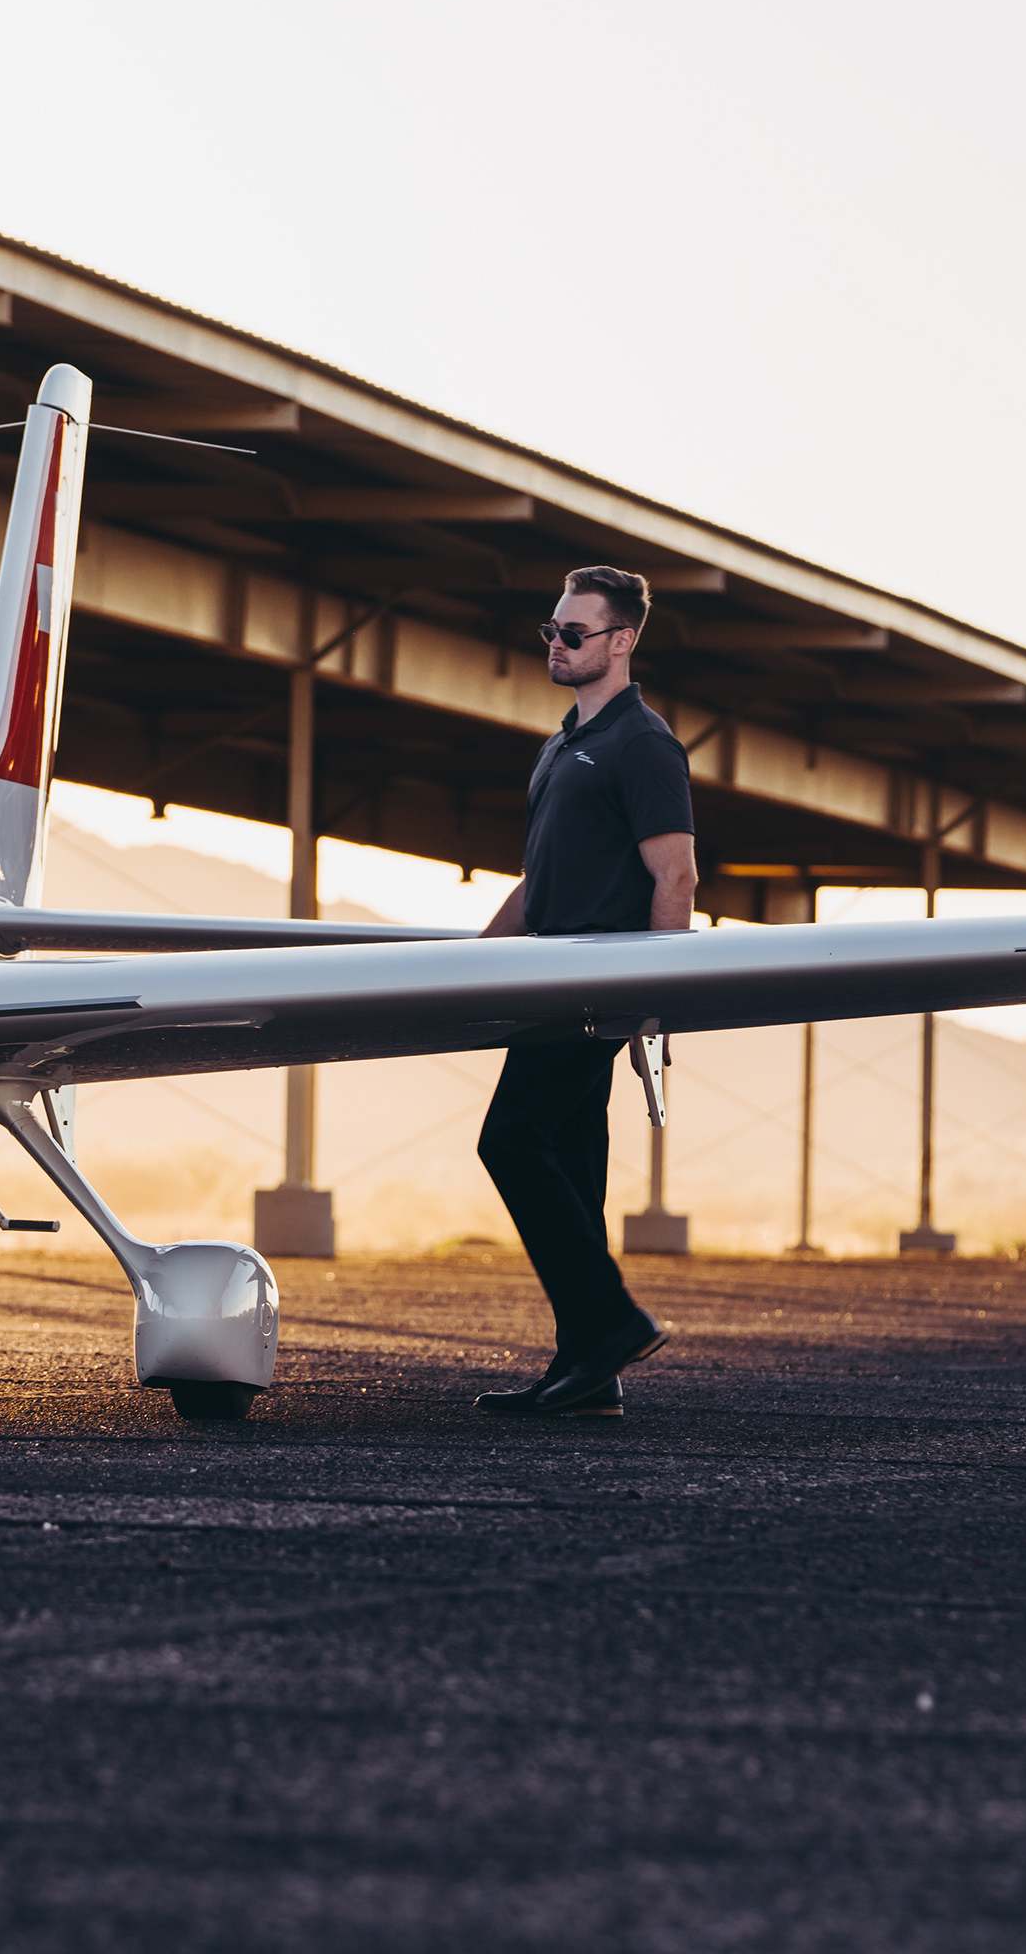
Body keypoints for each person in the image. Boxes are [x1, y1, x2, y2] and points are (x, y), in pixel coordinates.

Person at [470, 565, 697, 1415]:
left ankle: (610, 1322)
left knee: (511, 1143)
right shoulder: (559, 748)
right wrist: (468, 968)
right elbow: (537, 882)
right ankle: (590, 1375)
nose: (557, 645)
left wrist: (655, 998)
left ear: (623, 640)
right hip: (545, 984)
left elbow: (674, 875)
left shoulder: (644, 744)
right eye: (551, 631)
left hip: (592, 993)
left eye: (575, 633)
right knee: (573, 1166)